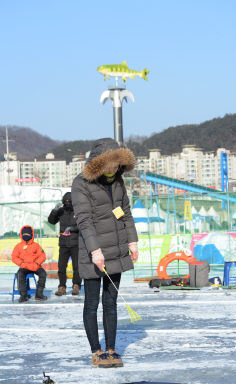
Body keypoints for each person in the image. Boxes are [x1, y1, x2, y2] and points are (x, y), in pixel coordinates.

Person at [71, 138, 139, 368]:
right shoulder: (81, 183)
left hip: (116, 251)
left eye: (117, 167)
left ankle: (111, 348)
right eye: (110, 167)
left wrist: (133, 241)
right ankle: (96, 351)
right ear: (99, 164)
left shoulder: (118, 182)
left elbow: (125, 213)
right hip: (94, 253)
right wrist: (95, 250)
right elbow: (84, 219)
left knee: (111, 303)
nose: (113, 171)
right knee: (92, 304)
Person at [48, 192, 81, 296]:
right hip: (63, 243)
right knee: (61, 267)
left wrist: (73, 229)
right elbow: (51, 221)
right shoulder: (61, 211)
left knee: (77, 267)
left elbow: (83, 224)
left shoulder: (78, 210)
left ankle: (76, 285)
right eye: (65, 203)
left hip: (76, 243)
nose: (67, 205)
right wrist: (54, 211)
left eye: (69, 203)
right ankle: (62, 287)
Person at [12, 225, 47, 303]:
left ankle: (39, 294)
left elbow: (42, 255)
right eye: (24, 235)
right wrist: (21, 263)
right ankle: (23, 295)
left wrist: (37, 263)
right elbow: (14, 257)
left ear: (31, 235)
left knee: (43, 274)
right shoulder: (18, 246)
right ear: (21, 235)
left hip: (35, 266)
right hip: (24, 266)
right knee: (20, 274)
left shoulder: (36, 245)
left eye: (27, 235)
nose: (26, 236)